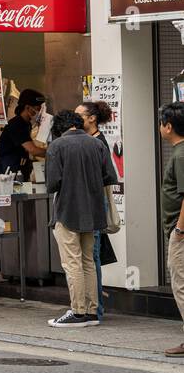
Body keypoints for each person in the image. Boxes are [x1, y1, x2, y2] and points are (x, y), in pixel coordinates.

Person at [44, 109, 119, 329]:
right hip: (94, 212)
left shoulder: (57, 147)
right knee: (88, 262)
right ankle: (92, 311)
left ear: (59, 127)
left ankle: (77, 311)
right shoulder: (96, 144)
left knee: (72, 263)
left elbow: (52, 183)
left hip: (67, 211)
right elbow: (109, 177)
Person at [76, 100, 117, 323]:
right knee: (90, 255)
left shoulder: (98, 142)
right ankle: (90, 306)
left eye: (79, 115)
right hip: (90, 201)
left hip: (94, 202)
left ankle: (95, 308)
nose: (76, 119)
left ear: (92, 118)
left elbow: (109, 175)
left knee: (92, 256)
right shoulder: (86, 140)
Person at [159, 102, 184, 357]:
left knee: (181, 284)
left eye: (161, 123)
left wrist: (179, 230)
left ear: (168, 126)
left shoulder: (181, 155)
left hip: (181, 233)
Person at [0, 89, 48, 180]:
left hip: (20, 167)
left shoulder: (26, 124)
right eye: (38, 109)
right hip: (9, 171)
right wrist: (54, 153)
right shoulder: (17, 125)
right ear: (27, 108)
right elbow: (33, 150)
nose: (40, 113)